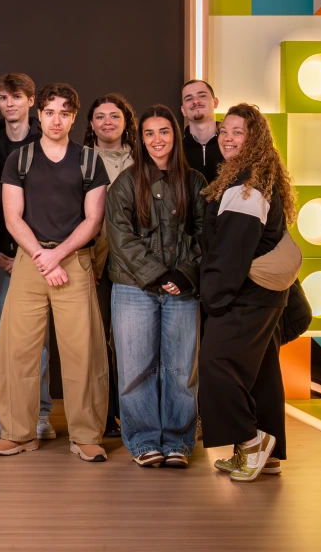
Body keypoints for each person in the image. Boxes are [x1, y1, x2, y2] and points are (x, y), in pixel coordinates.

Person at [0, 83, 111, 462]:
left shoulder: (90, 161)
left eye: (64, 112)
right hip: (31, 259)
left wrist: (57, 255)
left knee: (83, 352)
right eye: (49, 112)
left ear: (73, 117)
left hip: (73, 261)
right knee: (18, 350)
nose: (56, 119)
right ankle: (18, 432)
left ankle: (87, 435)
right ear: (37, 114)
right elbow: (12, 217)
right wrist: (42, 256)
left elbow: (93, 220)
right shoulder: (19, 160)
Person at [199, 103, 295, 482]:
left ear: (254, 138)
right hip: (261, 293)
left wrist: (215, 299)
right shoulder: (250, 177)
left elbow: (232, 250)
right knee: (261, 372)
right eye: (225, 131)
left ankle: (252, 443)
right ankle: (263, 454)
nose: (228, 138)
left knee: (216, 364)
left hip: (245, 293)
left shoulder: (248, 186)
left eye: (238, 132)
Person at [105, 105, 206, 468]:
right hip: (135, 288)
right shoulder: (127, 183)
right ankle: (145, 439)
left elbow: (203, 232)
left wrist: (183, 274)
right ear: (141, 139)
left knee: (180, 368)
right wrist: (157, 275)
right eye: (149, 133)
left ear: (175, 136)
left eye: (164, 132)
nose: (157, 140)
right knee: (135, 368)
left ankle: (179, 440)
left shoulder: (194, 182)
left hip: (183, 288)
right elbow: (120, 237)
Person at [0, 73, 53, 441]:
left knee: (36, 342)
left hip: (38, 257)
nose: (10, 103)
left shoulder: (48, 140)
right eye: (4, 98)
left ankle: (39, 414)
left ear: (31, 101)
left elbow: (53, 204)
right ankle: (1, 412)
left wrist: (35, 253)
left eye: (17, 97)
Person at [84, 93, 138, 438]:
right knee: (96, 342)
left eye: (114, 116)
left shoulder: (143, 158)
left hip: (135, 265)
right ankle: (101, 415)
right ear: (90, 124)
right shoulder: (82, 160)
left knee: (130, 343)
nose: (107, 122)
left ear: (125, 121)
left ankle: (130, 414)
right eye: (100, 116)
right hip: (95, 263)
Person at [181, 79, 222, 183]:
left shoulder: (232, 145)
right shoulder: (176, 151)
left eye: (202, 95)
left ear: (215, 102)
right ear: (183, 110)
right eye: (189, 98)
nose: (195, 101)